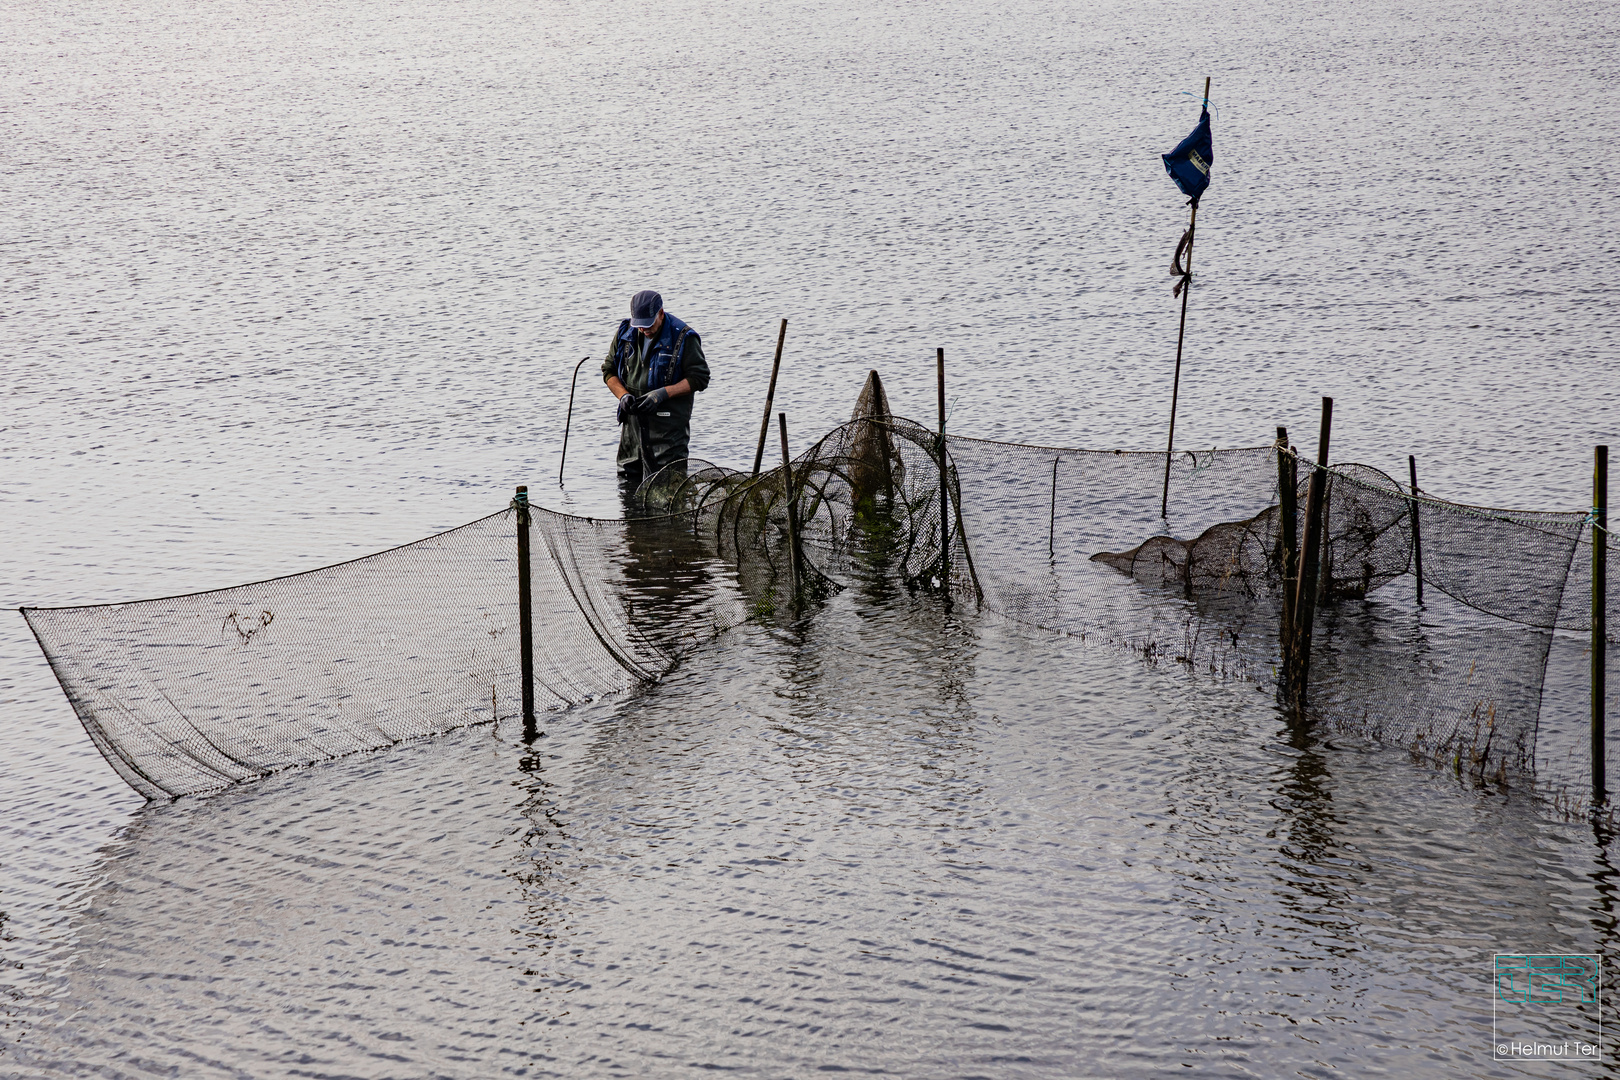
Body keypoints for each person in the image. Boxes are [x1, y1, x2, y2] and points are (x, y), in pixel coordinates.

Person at [602, 290, 710, 486]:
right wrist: (623, 396)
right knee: (628, 489)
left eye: (648, 324)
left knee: (668, 492)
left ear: (660, 313)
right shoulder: (625, 332)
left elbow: (700, 378)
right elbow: (609, 371)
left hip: (668, 436)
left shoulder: (684, 338)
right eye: (639, 325)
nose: (643, 330)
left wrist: (662, 394)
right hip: (632, 435)